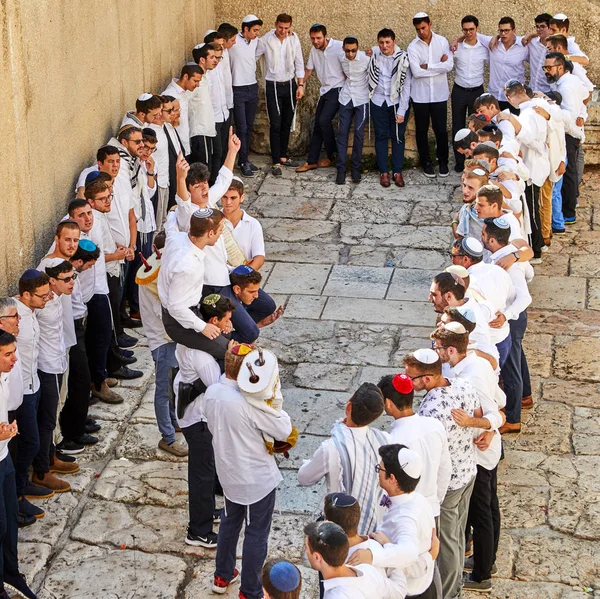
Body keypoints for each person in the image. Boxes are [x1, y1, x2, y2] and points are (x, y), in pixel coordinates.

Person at [201, 345, 292, 599]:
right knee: (255, 534)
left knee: (230, 523)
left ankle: (222, 574)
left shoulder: (212, 392)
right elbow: (284, 428)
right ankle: (250, 591)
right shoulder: (249, 403)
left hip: (228, 474)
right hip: (256, 478)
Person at [430, 324, 504, 592]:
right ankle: (484, 562)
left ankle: (483, 574)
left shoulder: (473, 374)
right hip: (475, 452)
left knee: (482, 514)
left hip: (480, 455)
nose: (435, 352)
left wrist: (481, 425)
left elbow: (498, 411)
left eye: (437, 348)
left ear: (451, 349)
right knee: (481, 512)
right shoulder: (464, 365)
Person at [403, 349, 478, 599]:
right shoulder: (463, 385)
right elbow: (477, 416)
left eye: (411, 378)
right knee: (458, 533)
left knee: (446, 543)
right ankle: (456, 584)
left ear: (426, 379)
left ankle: (448, 592)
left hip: (450, 484)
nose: (407, 382)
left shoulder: (430, 409)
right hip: (469, 471)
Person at [174, 294, 235, 548]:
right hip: (197, 419)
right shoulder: (203, 356)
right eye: (227, 320)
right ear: (213, 320)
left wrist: (226, 334)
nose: (230, 323)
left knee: (207, 471)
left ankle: (208, 512)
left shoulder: (194, 337)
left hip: (195, 412)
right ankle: (198, 530)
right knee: (202, 474)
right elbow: (218, 389)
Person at [298, 383, 390, 535]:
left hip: (339, 527)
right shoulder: (385, 439)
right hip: (375, 527)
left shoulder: (331, 448)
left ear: (348, 408)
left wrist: (310, 463)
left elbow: (304, 478)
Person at [348, 445, 437, 598]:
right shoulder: (419, 499)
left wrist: (372, 555)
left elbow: (408, 552)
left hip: (410, 591)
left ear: (392, 479)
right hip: (422, 581)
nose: (377, 473)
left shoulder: (406, 518)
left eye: (380, 469)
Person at [136, 236, 187, 458]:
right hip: (163, 341)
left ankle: (174, 421)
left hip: (169, 340)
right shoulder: (152, 281)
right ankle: (167, 438)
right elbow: (165, 315)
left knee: (174, 386)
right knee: (164, 391)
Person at [482, 218, 533, 432]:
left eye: (484, 235)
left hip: (512, 318)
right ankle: (525, 396)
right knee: (518, 358)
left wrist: (506, 314)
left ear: (493, 240)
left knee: (510, 370)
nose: (482, 237)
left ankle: (513, 419)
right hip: (513, 317)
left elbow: (525, 298)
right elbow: (530, 273)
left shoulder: (508, 264)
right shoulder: (512, 253)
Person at [32, 259, 79, 494]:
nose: (72, 283)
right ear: (52, 281)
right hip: (46, 366)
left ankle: (50, 458)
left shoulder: (58, 296)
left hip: (58, 362)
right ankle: (41, 472)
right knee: (47, 420)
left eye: (74, 277)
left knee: (54, 414)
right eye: (67, 279)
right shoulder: (42, 303)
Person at [0, 331, 40, 599]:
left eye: (14, 352)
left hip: (3, 457)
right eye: (8, 354)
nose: (15, 358)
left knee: (11, 520)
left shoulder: (4, 376)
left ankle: (11, 572)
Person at [158, 208, 229, 358]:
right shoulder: (188, 266)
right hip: (179, 322)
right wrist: (203, 327)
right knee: (227, 351)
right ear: (210, 233)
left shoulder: (177, 238)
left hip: (193, 307)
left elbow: (170, 227)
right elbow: (175, 307)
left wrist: (172, 212)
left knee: (227, 332)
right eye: (220, 230)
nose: (221, 233)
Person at [378, 374, 450, 520]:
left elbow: (387, 485)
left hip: (403, 515)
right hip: (431, 509)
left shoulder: (393, 440)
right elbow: (445, 470)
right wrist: (436, 500)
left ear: (388, 403)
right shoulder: (435, 426)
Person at [498, 80, 550, 262]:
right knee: (535, 207)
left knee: (533, 210)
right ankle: (540, 243)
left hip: (534, 166)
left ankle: (537, 250)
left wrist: (511, 120)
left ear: (509, 97)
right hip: (536, 164)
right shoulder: (537, 106)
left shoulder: (528, 113)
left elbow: (529, 138)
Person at [256, 13, 305, 178]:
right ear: (275, 24)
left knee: (287, 122)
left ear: (290, 26)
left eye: (286, 28)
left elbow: (299, 62)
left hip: (290, 84)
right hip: (273, 85)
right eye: (280, 27)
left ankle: (283, 156)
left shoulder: (294, 38)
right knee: (275, 124)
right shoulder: (265, 40)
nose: (283, 31)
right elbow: (254, 57)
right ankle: (276, 161)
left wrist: (301, 85)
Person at [304, 520, 405, 599]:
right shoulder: (367, 570)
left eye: (306, 548)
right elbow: (398, 593)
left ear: (317, 557)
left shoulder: (336, 596)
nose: (306, 552)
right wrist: (389, 547)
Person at [543, 52, 588, 226]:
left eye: (549, 68)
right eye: (545, 67)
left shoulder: (566, 87)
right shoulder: (572, 80)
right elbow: (584, 96)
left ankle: (568, 212)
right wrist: (582, 114)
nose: (546, 71)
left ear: (560, 67)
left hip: (568, 134)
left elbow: (568, 116)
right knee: (570, 173)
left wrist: (549, 108)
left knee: (567, 174)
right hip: (574, 132)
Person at [407, 13, 453, 178]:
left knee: (440, 130)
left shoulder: (442, 41)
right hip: (420, 96)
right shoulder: (412, 47)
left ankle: (443, 162)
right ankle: (426, 162)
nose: (421, 32)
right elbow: (416, 72)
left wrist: (428, 66)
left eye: (423, 28)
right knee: (422, 130)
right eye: (418, 29)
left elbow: (449, 65)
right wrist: (438, 65)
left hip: (439, 94)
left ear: (430, 24)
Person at [296, 24, 344, 174]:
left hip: (339, 88)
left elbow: (354, 56)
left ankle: (333, 154)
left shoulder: (339, 46)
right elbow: (309, 70)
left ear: (325, 36)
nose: (315, 41)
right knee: (318, 124)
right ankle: (312, 161)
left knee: (323, 121)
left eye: (318, 38)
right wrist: (300, 84)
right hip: (325, 90)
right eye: (312, 38)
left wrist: (369, 53)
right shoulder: (313, 50)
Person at [368, 28, 412, 188]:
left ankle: (397, 171)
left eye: (387, 42)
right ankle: (383, 172)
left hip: (397, 102)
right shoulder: (374, 55)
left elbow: (407, 86)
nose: (384, 46)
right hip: (378, 101)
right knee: (380, 136)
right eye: (381, 42)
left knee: (398, 137)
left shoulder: (403, 58)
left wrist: (402, 110)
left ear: (394, 42)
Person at [450, 16, 489, 172]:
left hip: (477, 92)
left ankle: (474, 161)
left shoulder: (484, 48)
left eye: (471, 29)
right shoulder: (456, 48)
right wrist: (456, 40)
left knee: (477, 129)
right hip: (459, 90)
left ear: (477, 29)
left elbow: (498, 39)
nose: (468, 32)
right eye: (465, 30)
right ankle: (459, 162)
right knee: (458, 127)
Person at [228, 14, 264, 178]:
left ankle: (246, 159)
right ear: (245, 29)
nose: (257, 33)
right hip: (237, 88)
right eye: (254, 30)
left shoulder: (256, 42)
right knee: (241, 127)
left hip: (252, 87)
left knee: (249, 126)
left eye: (258, 30)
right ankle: (241, 161)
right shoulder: (234, 43)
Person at [335, 36, 369, 185]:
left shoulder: (366, 58)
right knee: (342, 133)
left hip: (362, 99)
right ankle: (341, 170)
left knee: (359, 134)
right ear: (343, 49)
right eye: (347, 51)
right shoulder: (341, 59)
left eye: (353, 50)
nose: (350, 54)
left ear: (358, 48)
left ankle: (356, 169)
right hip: (346, 98)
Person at [221, 178, 266, 271]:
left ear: (242, 198)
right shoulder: (213, 221)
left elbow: (259, 258)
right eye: (225, 197)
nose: (228, 202)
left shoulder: (253, 224)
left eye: (233, 198)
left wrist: (243, 274)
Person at [189, 44, 218, 177]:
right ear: (202, 59)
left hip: (208, 130)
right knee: (202, 172)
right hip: (199, 131)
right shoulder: (195, 80)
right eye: (212, 57)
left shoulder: (206, 77)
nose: (215, 60)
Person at [162, 64, 203, 158]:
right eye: (195, 81)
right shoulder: (170, 94)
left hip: (185, 144)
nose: (198, 85)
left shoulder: (184, 92)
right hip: (176, 147)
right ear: (185, 76)